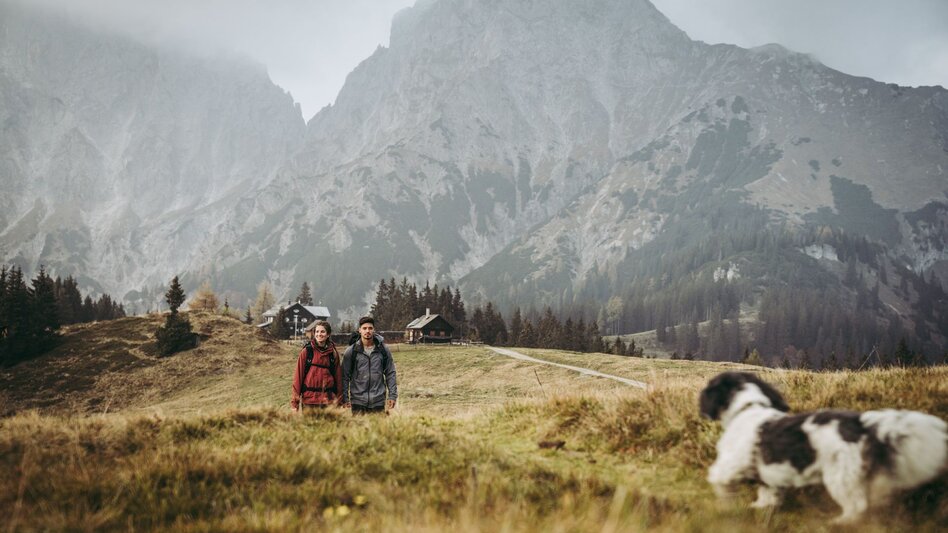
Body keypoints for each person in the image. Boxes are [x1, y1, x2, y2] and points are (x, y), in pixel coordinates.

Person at [341, 316, 397, 415]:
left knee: (378, 426)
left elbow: (390, 373)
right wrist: (345, 398)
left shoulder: (383, 350)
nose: (367, 331)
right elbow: (344, 376)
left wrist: (392, 395)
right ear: (360, 330)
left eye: (370, 328)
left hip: (378, 401)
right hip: (358, 401)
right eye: (364, 328)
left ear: (374, 330)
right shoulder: (352, 351)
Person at [291, 320, 342, 412]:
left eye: (322, 331)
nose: (319, 334)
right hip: (309, 401)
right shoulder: (307, 352)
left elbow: (338, 379)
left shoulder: (333, 354)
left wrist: (339, 401)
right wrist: (295, 404)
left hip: (328, 401)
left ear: (328, 334)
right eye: (317, 332)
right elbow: (298, 378)